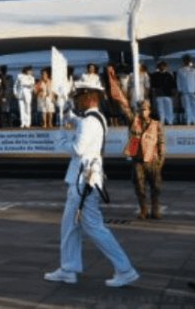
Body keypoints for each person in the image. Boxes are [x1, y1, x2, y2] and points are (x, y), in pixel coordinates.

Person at [43, 77, 138, 288]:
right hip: (86, 179)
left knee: (93, 227)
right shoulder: (97, 118)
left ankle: (125, 269)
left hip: (82, 182)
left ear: (88, 97)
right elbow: (81, 122)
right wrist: (68, 115)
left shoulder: (89, 121)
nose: (76, 101)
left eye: (78, 97)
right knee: (71, 226)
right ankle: (68, 269)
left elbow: (77, 148)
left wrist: (60, 137)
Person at [175, 54, 195, 125]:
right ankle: (188, 120)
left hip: (194, 90)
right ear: (183, 61)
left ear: (190, 60)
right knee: (186, 106)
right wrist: (179, 90)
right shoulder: (180, 70)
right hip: (185, 91)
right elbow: (178, 81)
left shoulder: (194, 70)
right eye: (185, 60)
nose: (187, 61)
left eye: (188, 60)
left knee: (194, 106)